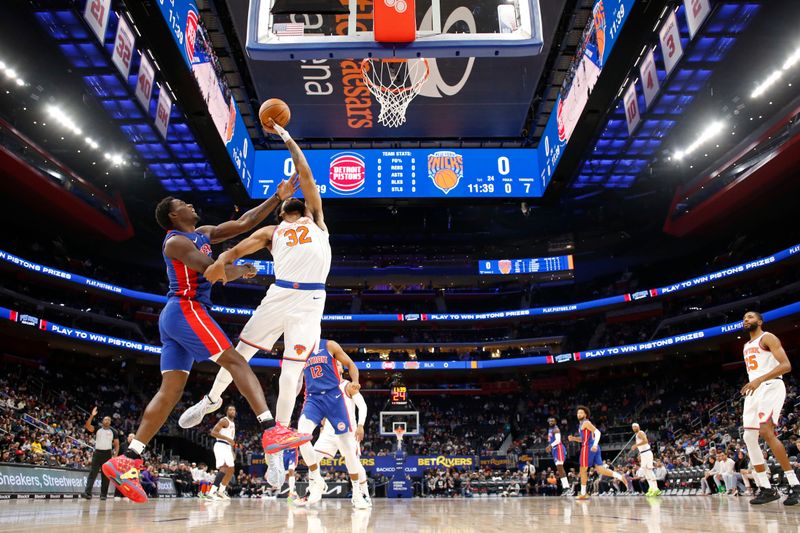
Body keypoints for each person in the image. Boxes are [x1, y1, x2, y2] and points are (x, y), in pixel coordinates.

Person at [101, 186, 311, 503]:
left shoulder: (203, 232)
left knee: (169, 392)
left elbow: (243, 223)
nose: (190, 203)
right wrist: (241, 270)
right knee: (238, 361)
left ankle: (127, 459)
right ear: (174, 215)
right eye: (183, 203)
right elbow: (209, 270)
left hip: (176, 316)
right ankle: (271, 427)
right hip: (187, 309)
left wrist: (277, 199)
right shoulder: (175, 242)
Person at [179, 120, 332, 489]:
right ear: (283, 212)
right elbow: (235, 247)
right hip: (278, 295)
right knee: (238, 354)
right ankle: (211, 399)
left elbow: (306, 173)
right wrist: (221, 263)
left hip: (310, 300)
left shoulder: (317, 219)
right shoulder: (271, 231)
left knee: (292, 377)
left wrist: (285, 136)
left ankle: (276, 454)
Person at [292, 339, 369, 509]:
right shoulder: (300, 349)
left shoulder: (329, 346)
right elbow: (296, 379)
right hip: (314, 399)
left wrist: (355, 380)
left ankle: (358, 494)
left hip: (334, 399)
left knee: (350, 453)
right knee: (302, 435)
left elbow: (350, 363)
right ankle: (316, 481)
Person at [740, 311, 799, 505]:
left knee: (766, 431)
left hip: (771, 385)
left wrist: (759, 379)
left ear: (760, 321)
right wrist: (754, 382)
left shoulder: (768, 337)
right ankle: (766, 487)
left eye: (750, 317)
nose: (746, 320)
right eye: (744, 318)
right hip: (754, 390)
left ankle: (794, 483)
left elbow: (786, 365)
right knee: (748, 437)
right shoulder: (746, 345)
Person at [311, 360, 371, 507]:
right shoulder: (324, 386)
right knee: (311, 458)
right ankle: (316, 486)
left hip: (348, 432)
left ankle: (362, 495)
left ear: (342, 369)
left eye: (338, 364)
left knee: (355, 465)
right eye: (333, 363)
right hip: (329, 433)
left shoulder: (348, 386)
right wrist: (322, 420)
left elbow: (362, 406)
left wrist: (361, 425)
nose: (334, 365)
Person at [567, 405, 628, 499]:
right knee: (600, 469)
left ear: (586, 414)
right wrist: (574, 438)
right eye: (578, 413)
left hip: (588, 448)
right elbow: (585, 439)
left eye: (581, 413)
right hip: (593, 447)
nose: (579, 414)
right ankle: (620, 476)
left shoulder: (586, 422)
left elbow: (598, 433)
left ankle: (583, 493)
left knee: (583, 470)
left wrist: (594, 445)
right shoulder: (582, 424)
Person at [81, 406, 119, 500]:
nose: (106, 421)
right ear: (102, 421)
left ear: (110, 422)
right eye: (105, 419)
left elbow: (117, 445)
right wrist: (92, 416)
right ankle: (87, 493)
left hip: (107, 454)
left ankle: (103, 495)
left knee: (105, 475)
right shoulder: (98, 428)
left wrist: (115, 456)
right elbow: (88, 426)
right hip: (97, 453)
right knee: (92, 473)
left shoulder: (114, 431)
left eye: (108, 420)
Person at [207, 405, 237, 500]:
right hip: (220, 445)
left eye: (234, 409)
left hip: (227, 447)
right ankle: (211, 493)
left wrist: (231, 450)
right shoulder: (224, 420)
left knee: (231, 469)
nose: (232, 411)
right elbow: (213, 432)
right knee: (223, 467)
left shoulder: (233, 423)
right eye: (230, 409)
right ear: (226, 412)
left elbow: (230, 439)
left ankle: (221, 491)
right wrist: (227, 439)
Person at [631, 423, 660, 496]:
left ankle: (656, 489)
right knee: (645, 471)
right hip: (643, 453)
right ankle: (651, 488)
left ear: (638, 427)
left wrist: (636, 445)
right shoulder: (637, 434)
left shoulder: (640, 432)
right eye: (633, 427)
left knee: (649, 470)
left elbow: (646, 441)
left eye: (635, 426)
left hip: (647, 453)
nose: (634, 428)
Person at [545, 417, 571, 495]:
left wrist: (550, 446)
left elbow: (558, 440)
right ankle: (566, 488)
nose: (551, 422)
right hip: (555, 450)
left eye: (553, 421)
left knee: (560, 468)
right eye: (550, 421)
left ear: (555, 422)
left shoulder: (556, 429)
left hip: (559, 449)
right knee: (559, 470)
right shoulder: (549, 429)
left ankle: (567, 488)